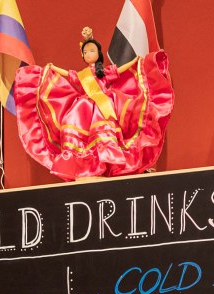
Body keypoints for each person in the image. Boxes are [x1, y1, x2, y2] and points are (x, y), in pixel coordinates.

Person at [12, 26, 173, 181]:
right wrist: (53, 68)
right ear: (82, 55)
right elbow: (68, 75)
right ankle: (87, 166)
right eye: (86, 52)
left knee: (105, 132)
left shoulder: (104, 72)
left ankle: (108, 160)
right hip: (84, 108)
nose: (89, 54)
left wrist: (135, 62)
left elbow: (120, 70)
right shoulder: (81, 74)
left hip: (103, 105)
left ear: (98, 53)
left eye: (92, 51)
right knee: (77, 127)